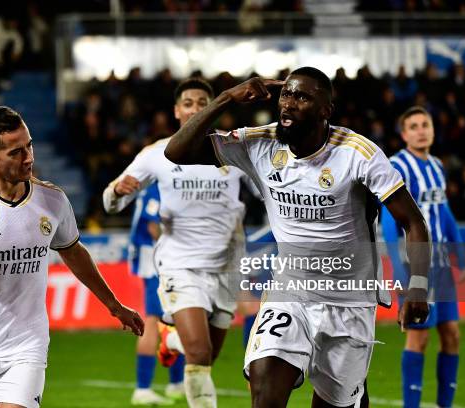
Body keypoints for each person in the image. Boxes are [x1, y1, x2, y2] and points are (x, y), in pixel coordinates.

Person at [164, 67, 430, 408]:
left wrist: (419, 287)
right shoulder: (259, 143)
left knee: (337, 403)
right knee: (265, 389)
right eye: (286, 95)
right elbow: (177, 152)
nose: (288, 103)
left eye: (302, 96)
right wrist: (227, 97)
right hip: (290, 292)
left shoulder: (357, 153)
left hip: (349, 301)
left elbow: (413, 222)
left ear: (325, 110)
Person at [0, 106, 143, 408]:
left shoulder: (52, 199)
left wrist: (113, 305)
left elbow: (73, 251)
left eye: (29, 146)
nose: (29, 157)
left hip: (26, 345)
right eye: (16, 152)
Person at [103, 78, 251, 408]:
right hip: (179, 264)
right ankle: (176, 342)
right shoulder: (156, 154)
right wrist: (116, 192)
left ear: (214, 109)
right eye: (188, 103)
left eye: (203, 103)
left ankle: (171, 338)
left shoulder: (236, 150)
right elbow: (109, 203)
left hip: (226, 267)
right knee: (198, 352)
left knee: (206, 358)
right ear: (176, 111)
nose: (195, 109)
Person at [381, 106, 465, 408]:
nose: (421, 130)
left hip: (442, 268)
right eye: (414, 126)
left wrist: (460, 253)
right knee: (418, 338)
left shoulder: (436, 165)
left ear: (432, 129)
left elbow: (443, 211)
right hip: (417, 266)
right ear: (404, 134)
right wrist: (401, 270)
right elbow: (390, 220)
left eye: (425, 124)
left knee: (452, 334)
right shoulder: (397, 166)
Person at [128, 181, 186, 405]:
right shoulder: (158, 187)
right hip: (156, 261)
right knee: (153, 321)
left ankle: (176, 383)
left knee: (178, 318)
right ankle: (142, 389)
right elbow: (154, 228)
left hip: (157, 260)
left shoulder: (157, 185)